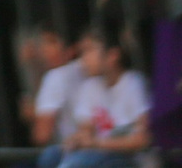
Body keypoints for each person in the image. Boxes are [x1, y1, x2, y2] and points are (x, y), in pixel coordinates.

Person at [41, 26, 148, 168]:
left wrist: (96, 143)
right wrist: (76, 140)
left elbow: (142, 139)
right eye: (82, 52)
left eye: (89, 50)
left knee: (78, 163)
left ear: (113, 55)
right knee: (51, 156)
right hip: (99, 153)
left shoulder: (133, 83)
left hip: (129, 158)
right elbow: (86, 130)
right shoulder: (90, 86)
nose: (83, 58)